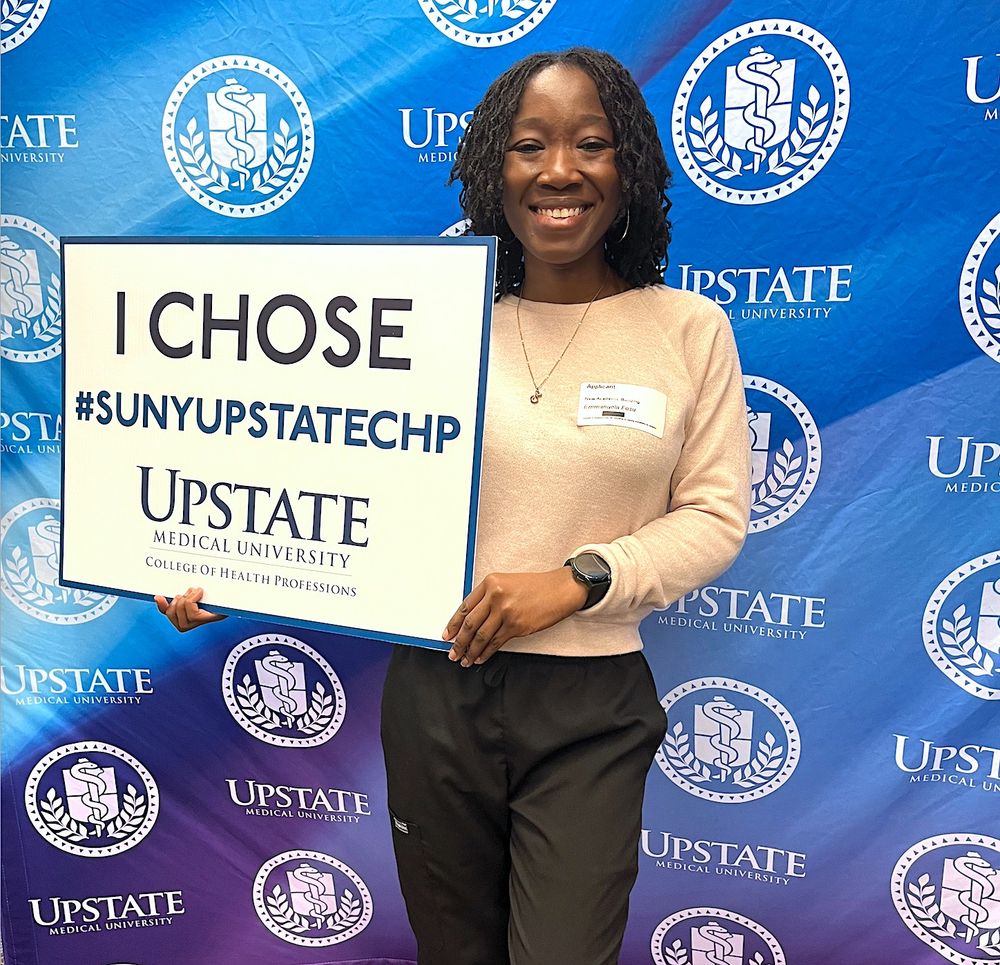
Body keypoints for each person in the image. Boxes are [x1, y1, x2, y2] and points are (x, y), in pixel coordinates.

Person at [157, 47, 750, 965]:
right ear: (493, 171)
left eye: (590, 144)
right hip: (439, 692)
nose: (559, 170)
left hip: (591, 707)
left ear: (626, 167)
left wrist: (580, 579)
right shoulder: (432, 318)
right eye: (528, 146)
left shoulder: (688, 328)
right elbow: (335, 478)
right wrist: (230, 562)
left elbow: (713, 516)